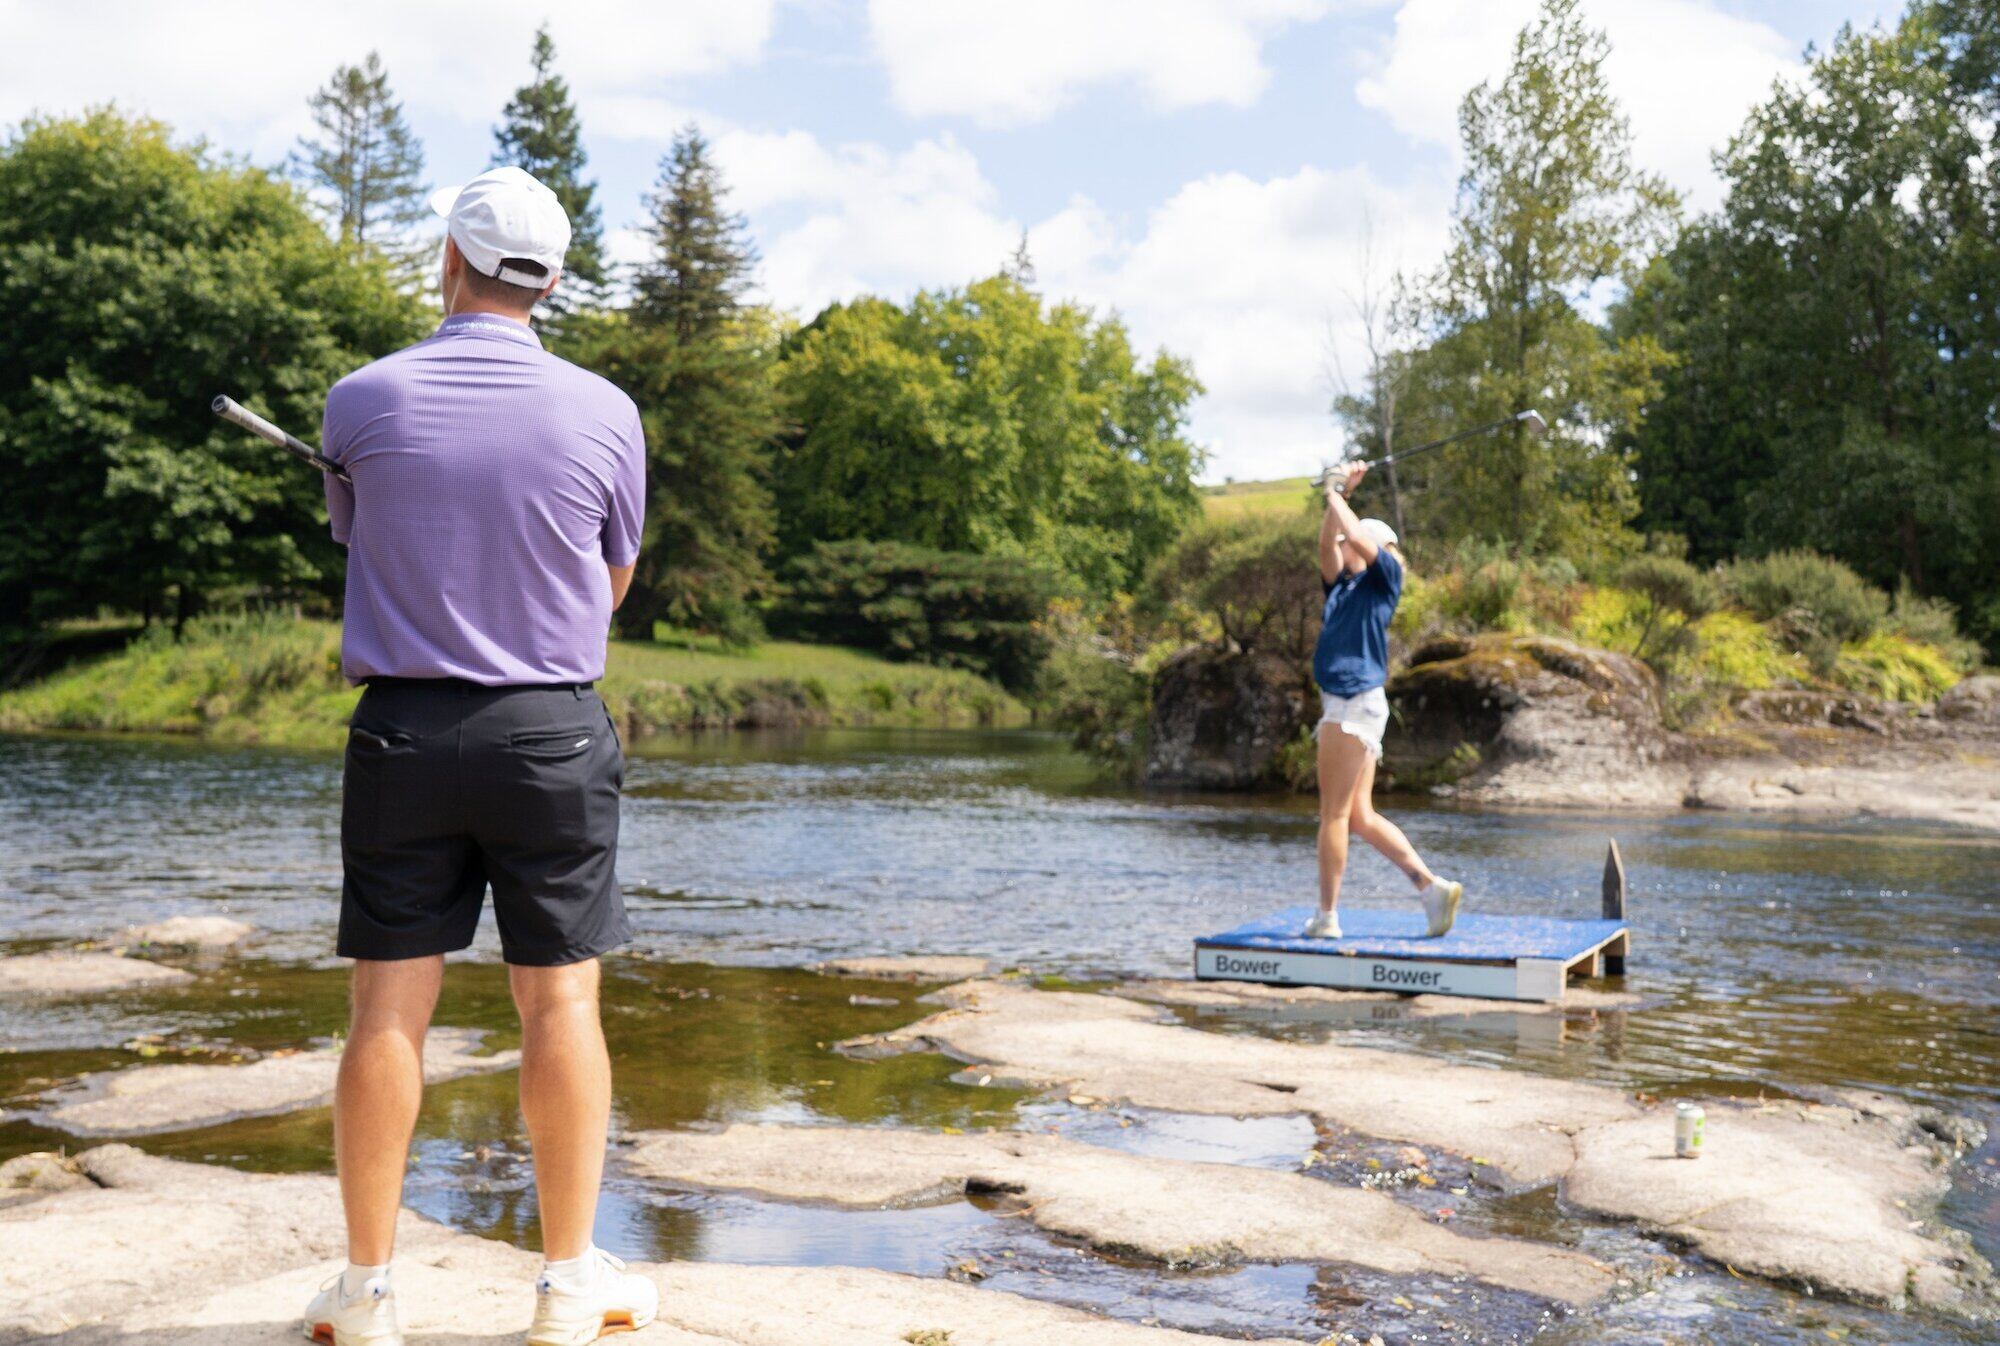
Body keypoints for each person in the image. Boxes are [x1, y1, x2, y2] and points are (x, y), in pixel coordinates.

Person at [302, 167, 657, 1346]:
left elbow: (360, 538)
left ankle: (364, 1294)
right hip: (550, 730)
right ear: (552, 280)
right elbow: (609, 580)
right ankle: (565, 1284)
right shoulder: (608, 410)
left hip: (404, 730)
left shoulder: (358, 400)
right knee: (559, 999)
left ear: (445, 259)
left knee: (385, 1012)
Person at [1304, 460, 1463, 941]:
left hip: (1351, 704)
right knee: (1358, 816)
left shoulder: (1384, 575)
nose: (1339, 546)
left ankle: (1327, 917)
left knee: (1332, 814)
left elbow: (1351, 539)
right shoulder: (1344, 589)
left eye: (1350, 543)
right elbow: (1330, 545)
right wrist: (1338, 496)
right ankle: (1431, 888)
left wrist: (1336, 494)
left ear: (1368, 547)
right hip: (1358, 705)